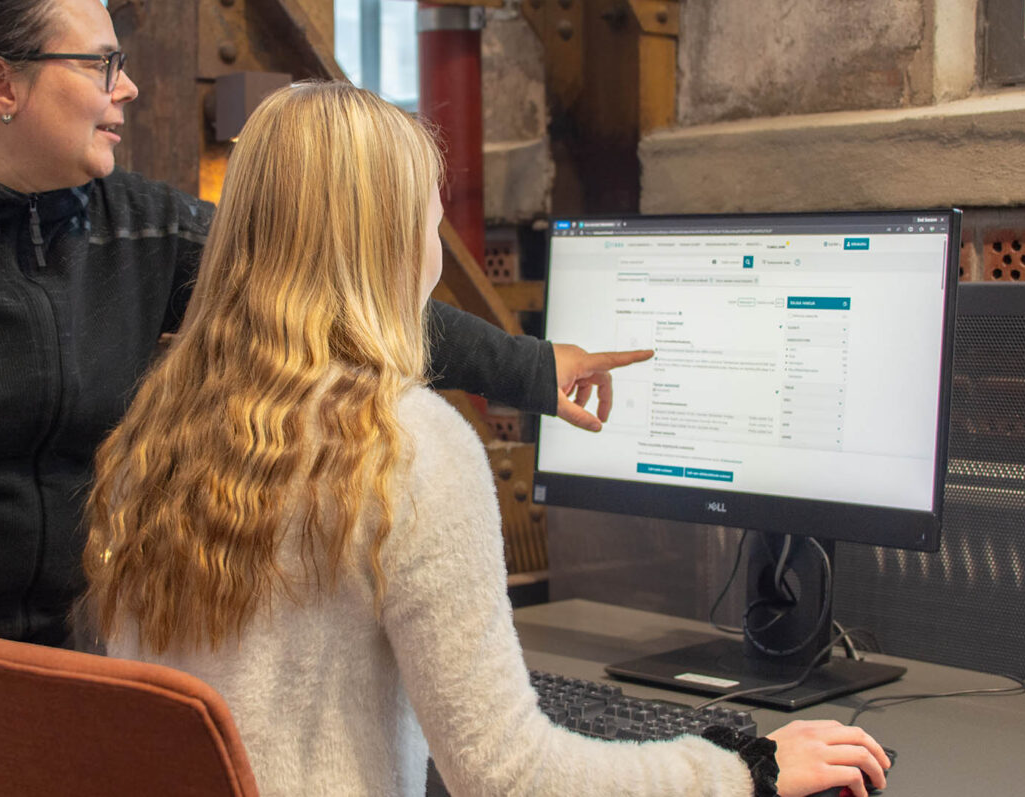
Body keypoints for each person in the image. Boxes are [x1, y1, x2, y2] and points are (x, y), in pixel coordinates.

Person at [0, 0, 640, 796]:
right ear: (0, 84)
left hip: (52, 685)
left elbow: (327, 287)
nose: (125, 87)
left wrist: (532, 368)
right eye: (99, 64)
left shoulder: (132, 227)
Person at [85, 81, 892, 797]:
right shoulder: (403, 447)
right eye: (431, 225)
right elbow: (507, 776)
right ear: (397, 248)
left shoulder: (160, 430)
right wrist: (743, 771)